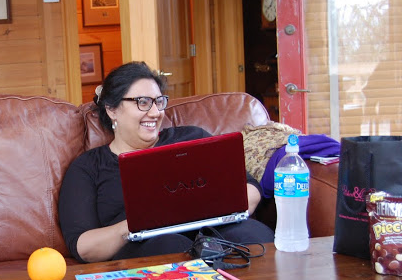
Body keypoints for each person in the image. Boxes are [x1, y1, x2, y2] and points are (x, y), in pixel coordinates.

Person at [59, 61, 274, 263]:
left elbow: (252, 189)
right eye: (142, 103)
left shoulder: (192, 139)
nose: (155, 112)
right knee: (172, 247)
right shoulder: (89, 168)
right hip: (146, 246)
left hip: (214, 231)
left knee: (254, 235)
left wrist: (205, 209)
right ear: (112, 109)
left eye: (158, 102)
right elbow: (83, 246)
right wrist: (136, 225)